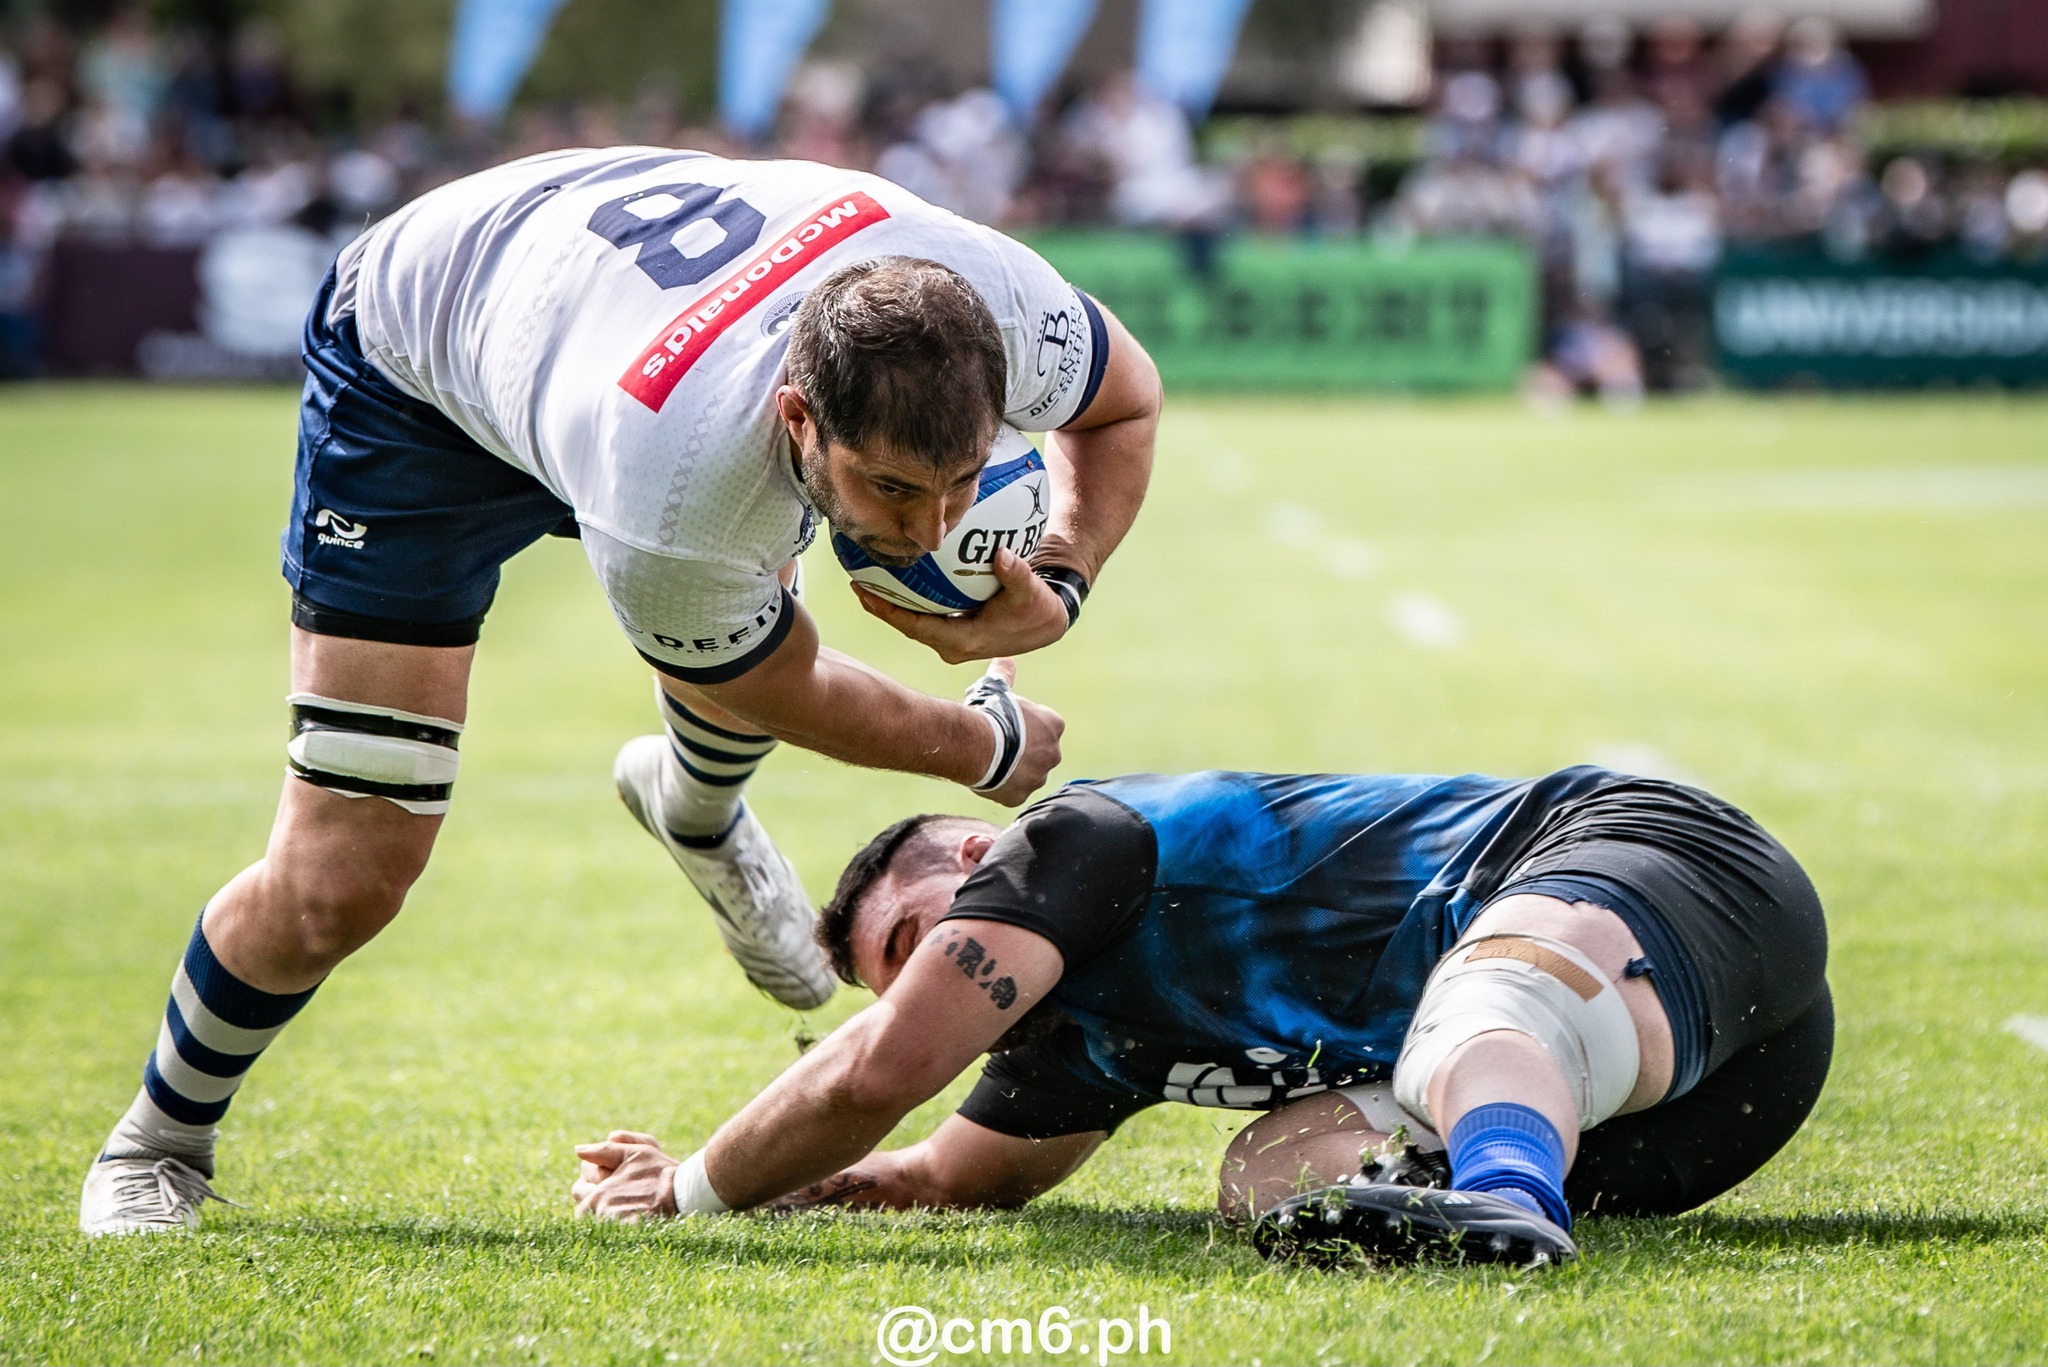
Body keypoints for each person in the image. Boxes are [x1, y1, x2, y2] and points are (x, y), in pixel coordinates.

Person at [80, 146, 1162, 1234]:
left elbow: (1126, 400)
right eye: (889, 485)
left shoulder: (1002, 302)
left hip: (604, 312)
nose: (930, 528)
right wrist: (978, 746)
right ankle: (156, 1138)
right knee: (344, 871)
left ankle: (694, 810)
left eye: (962, 480)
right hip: (419, 370)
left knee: (737, 585)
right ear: (799, 420)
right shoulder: (679, 489)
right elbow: (775, 681)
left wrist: (1064, 575)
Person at [571, 765, 1831, 1267]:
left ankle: (1508, 1190)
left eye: (912, 945)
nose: (923, 988)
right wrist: (791, 1187)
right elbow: (940, 1173)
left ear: (974, 852)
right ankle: (1501, 1190)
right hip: (1701, 1108)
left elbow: (872, 1076)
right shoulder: (1069, 1037)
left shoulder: (1069, 839)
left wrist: (692, 1189)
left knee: (1473, 1010)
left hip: (1661, 875)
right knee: (1270, 1176)